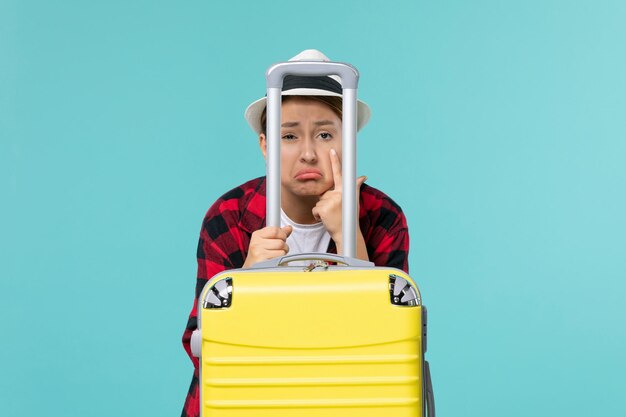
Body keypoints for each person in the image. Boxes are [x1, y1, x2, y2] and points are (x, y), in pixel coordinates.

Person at [180, 49, 410, 417]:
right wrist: (246, 280)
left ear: (348, 141)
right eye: (288, 136)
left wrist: (351, 235)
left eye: (324, 134)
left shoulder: (382, 215)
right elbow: (200, 347)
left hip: (348, 402)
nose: (307, 153)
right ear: (265, 146)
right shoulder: (228, 215)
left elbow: (392, 351)